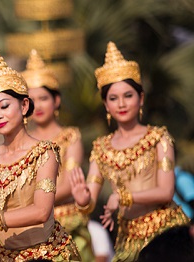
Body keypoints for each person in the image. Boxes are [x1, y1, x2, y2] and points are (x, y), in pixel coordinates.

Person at [0, 48, 80, 261]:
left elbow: (41, 211)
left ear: (24, 105)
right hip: (6, 256)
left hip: (49, 255)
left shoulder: (44, 152)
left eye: (4, 106)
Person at [70, 41, 190, 262]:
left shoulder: (158, 138)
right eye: (113, 98)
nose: (121, 104)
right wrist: (83, 199)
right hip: (127, 241)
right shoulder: (100, 148)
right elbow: (90, 200)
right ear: (106, 105)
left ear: (141, 98)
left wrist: (124, 197)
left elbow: (165, 191)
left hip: (164, 234)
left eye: (128, 95)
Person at [22, 49, 94, 260]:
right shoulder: (24, 142)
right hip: (32, 225)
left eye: (43, 98)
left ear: (57, 100)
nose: (38, 105)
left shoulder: (70, 136)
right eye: (32, 100)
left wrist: (37, 205)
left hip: (67, 221)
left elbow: (71, 183)